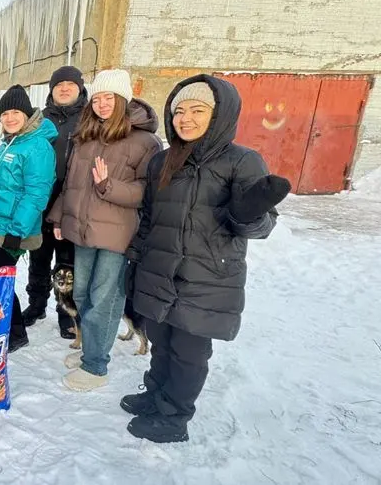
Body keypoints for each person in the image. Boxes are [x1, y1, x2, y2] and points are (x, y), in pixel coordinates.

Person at [122, 75, 288, 443]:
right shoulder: (163, 161)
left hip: (207, 276)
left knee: (188, 353)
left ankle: (174, 417)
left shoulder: (242, 161)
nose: (186, 119)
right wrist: (134, 262)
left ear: (220, 115)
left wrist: (248, 215)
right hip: (160, 269)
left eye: (198, 110)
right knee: (161, 341)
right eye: (179, 111)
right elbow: (149, 217)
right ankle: (155, 394)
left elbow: (261, 227)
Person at [48, 69, 162, 392]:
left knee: (105, 298)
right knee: (82, 293)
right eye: (97, 98)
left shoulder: (145, 142)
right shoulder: (87, 135)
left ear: (123, 99)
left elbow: (146, 191)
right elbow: (72, 183)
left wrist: (109, 186)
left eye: (108, 98)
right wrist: (58, 217)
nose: (101, 104)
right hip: (84, 230)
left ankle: (96, 366)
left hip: (116, 235)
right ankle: (90, 351)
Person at [0, 85, 57, 352]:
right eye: (5, 113)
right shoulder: (12, 141)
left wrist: (17, 230)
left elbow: (36, 194)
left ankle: (14, 335)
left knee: (1, 282)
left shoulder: (36, 146)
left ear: (27, 114)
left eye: (15, 112)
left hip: (12, 229)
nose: (10, 118)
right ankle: (9, 330)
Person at [22, 66, 87, 338]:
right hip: (41, 202)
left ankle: (66, 313)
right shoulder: (40, 119)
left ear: (79, 88)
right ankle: (36, 304)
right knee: (38, 257)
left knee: (67, 262)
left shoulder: (88, 119)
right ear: (51, 89)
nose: (64, 89)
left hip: (72, 202)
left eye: (70, 85)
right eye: (59, 84)